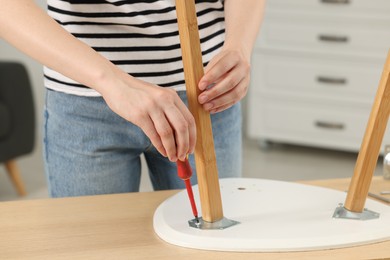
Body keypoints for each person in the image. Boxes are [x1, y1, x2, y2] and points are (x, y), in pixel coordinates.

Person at [0, 0, 264, 197]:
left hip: (205, 94)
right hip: (86, 99)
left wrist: (238, 46)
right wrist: (111, 82)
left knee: (210, 248)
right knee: (94, 248)